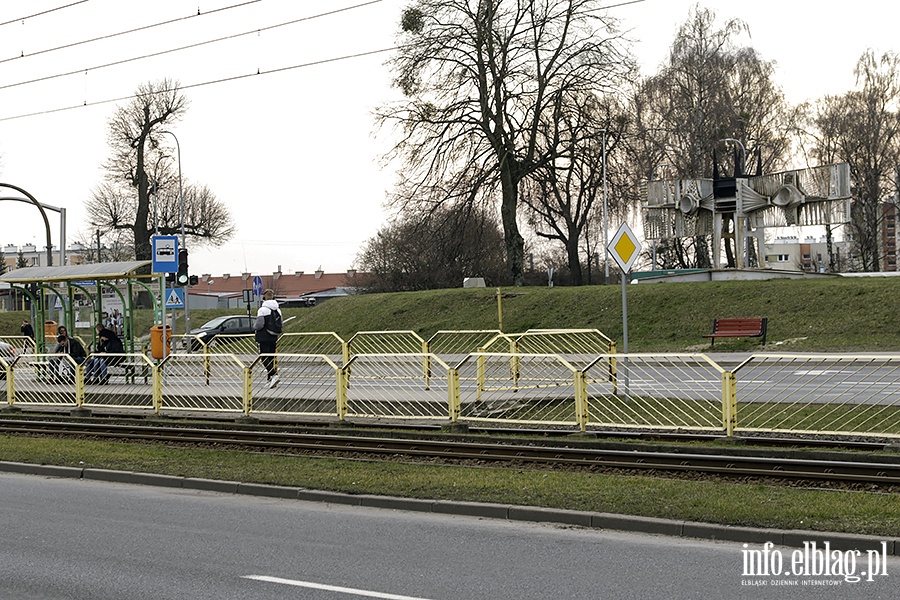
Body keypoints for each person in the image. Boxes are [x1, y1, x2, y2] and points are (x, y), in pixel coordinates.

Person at [253, 289, 282, 388]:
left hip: (263, 337)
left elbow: (259, 324)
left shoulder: (262, 309)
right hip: (273, 336)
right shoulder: (277, 309)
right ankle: (270, 380)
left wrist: (254, 327)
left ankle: (274, 375)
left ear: (264, 297)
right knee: (271, 357)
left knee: (264, 357)